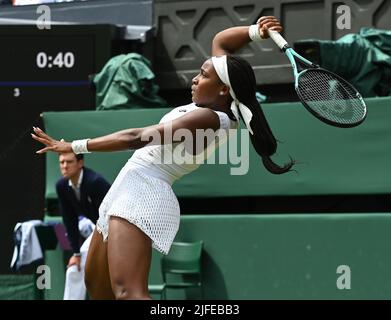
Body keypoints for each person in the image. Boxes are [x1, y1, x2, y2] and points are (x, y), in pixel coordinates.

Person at [32, 16, 294, 300]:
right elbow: (221, 41)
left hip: (143, 194)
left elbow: (136, 137)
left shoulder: (211, 118)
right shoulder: (215, 96)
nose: (195, 78)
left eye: (203, 75)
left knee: (129, 293)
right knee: (99, 290)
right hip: (126, 189)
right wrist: (256, 31)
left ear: (223, 90)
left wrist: (75, 145)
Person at [56, 152, 111, 299]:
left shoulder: (95, 182)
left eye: (69, 162)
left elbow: (112, 216)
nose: (65, 166)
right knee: (74, 269)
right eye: (61, 162)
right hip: (99, 229)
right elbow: (69, 220)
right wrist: (76, 254)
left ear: (80, 163)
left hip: (118, 231)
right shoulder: (62, 186)